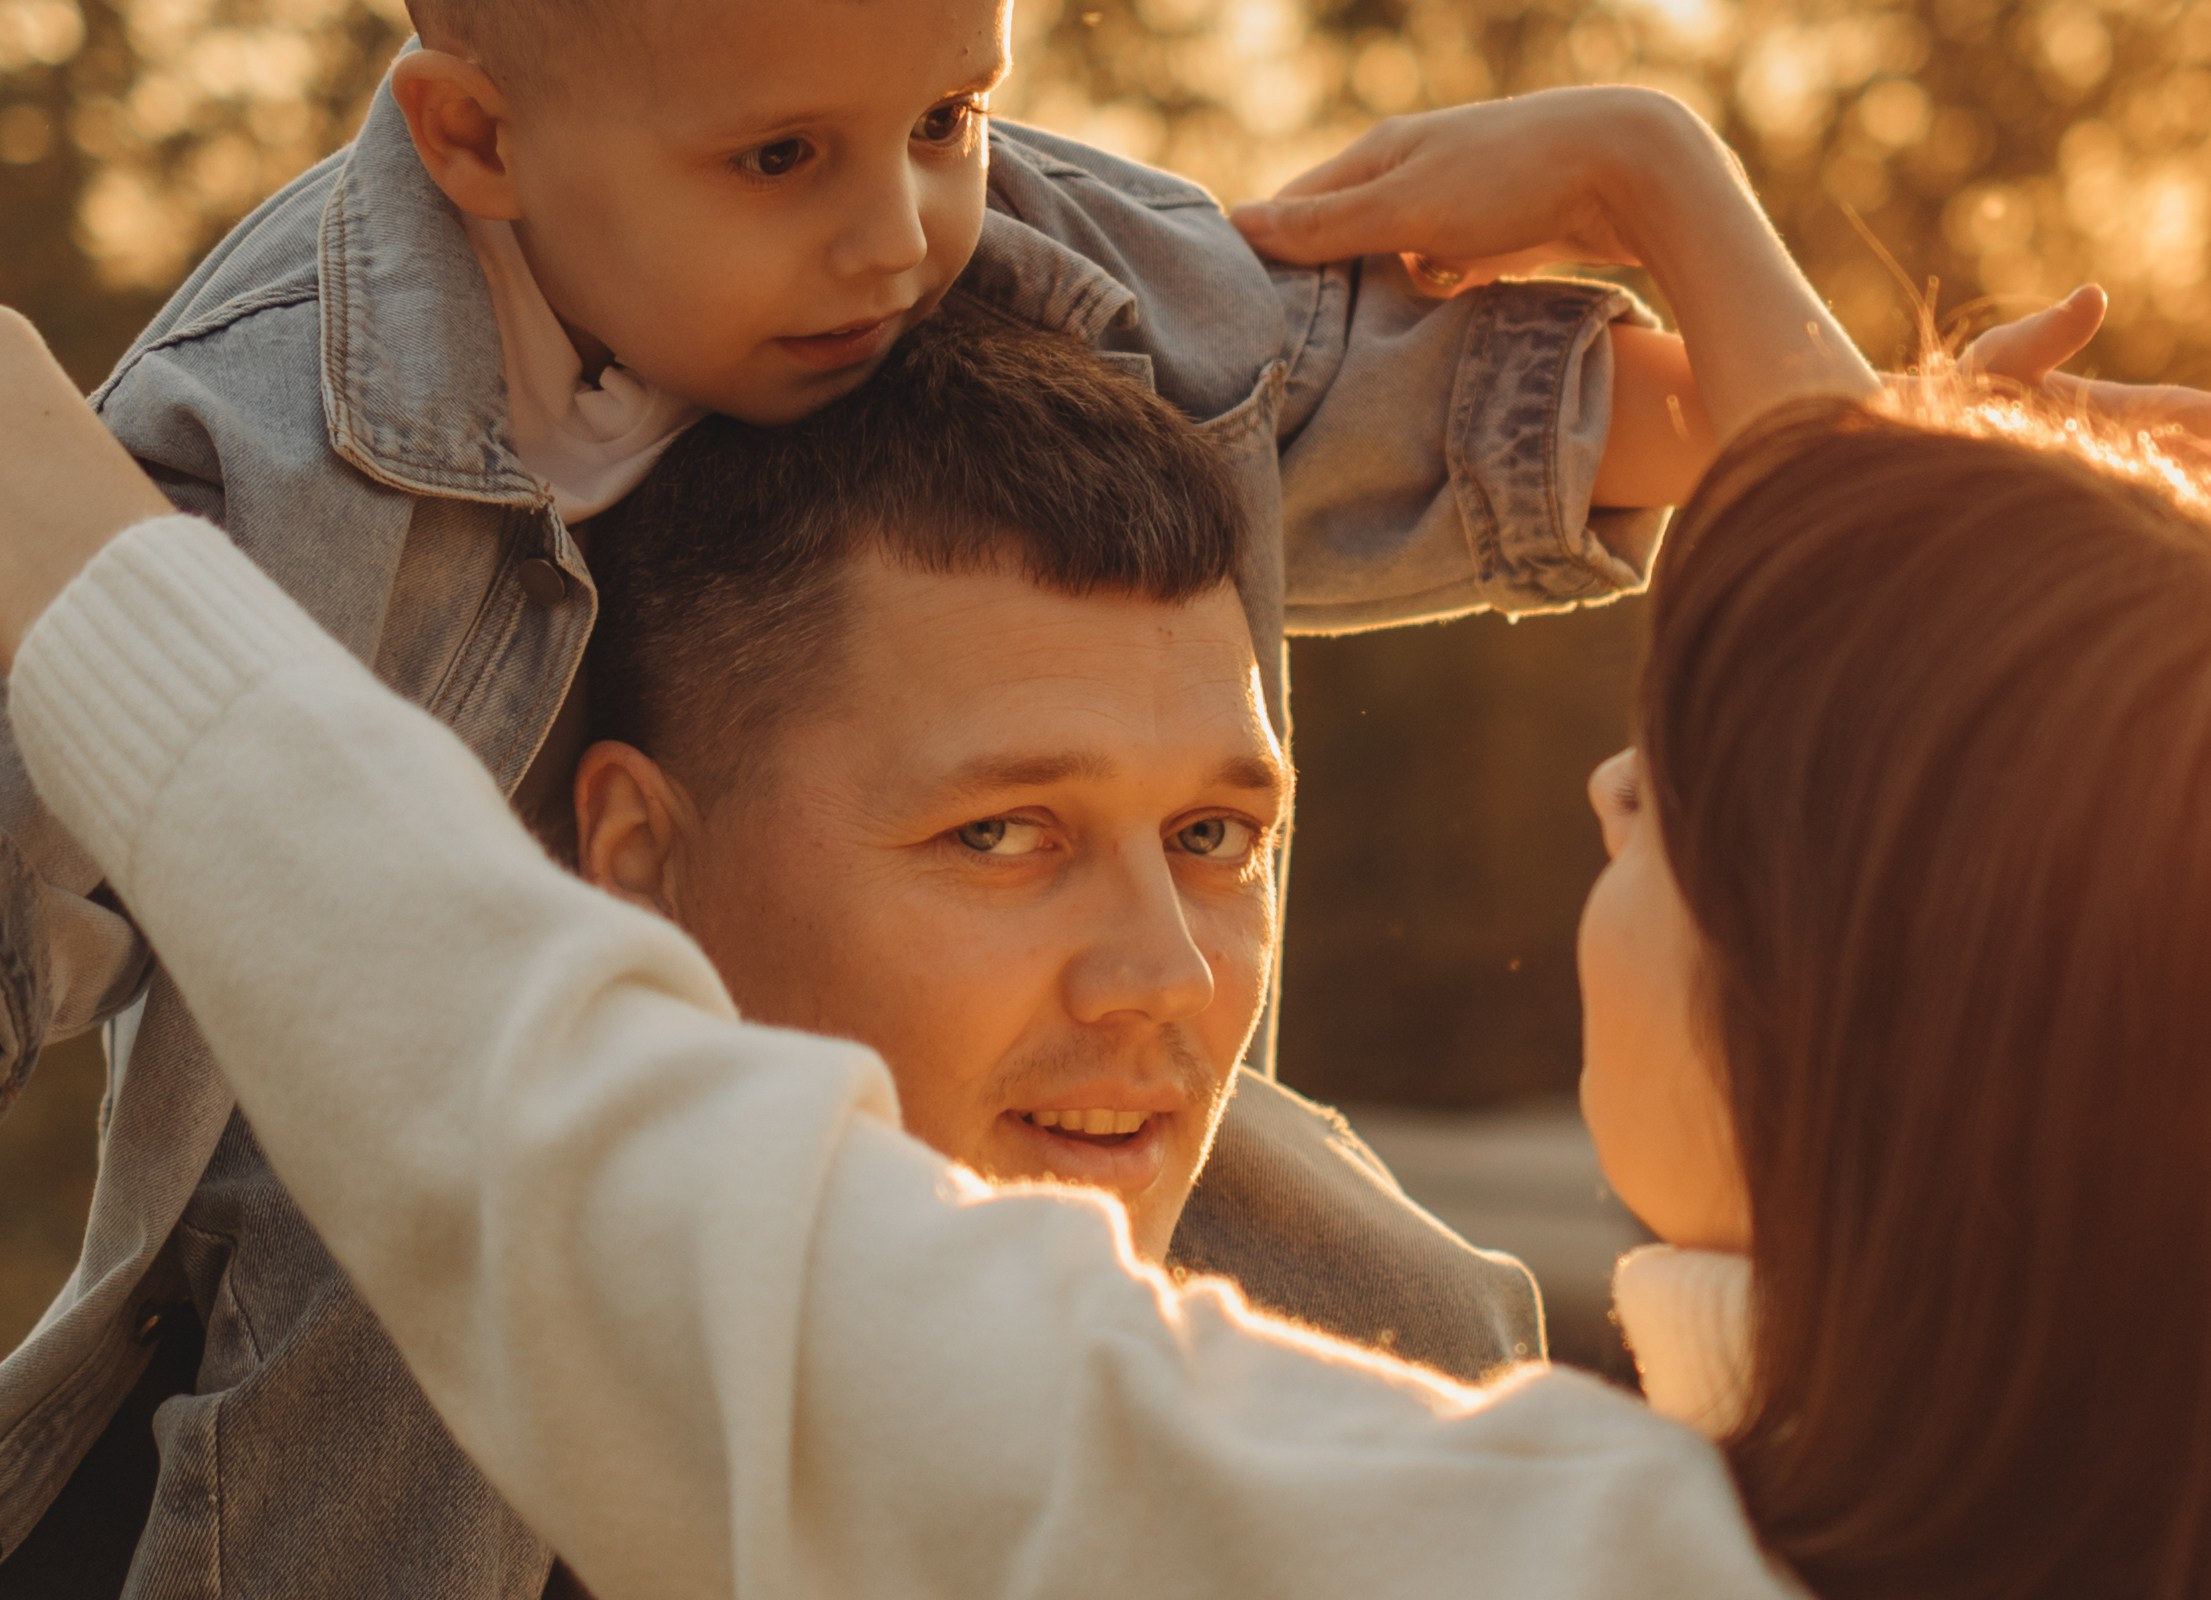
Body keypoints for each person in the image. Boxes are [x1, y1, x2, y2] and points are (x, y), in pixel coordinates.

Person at [0, 0, 1858, 1569]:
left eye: (951, 120)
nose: (898, 238)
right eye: (783, 161)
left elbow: (1458, 419)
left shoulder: (1058, 262)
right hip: (397, 1136)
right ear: (475, 137)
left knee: (1397, 1292)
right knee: (401, 1300)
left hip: (895, 1064)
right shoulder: (262, 442)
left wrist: (1868, 417)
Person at [572, 309, 1540, 1375]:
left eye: (1211, 836)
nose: (1167, 975)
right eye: (997, 835)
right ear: (641, 863)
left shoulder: (1415, 1391)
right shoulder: (428, 1442)